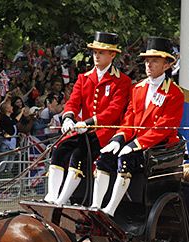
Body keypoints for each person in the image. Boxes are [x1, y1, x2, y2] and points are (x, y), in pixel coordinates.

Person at [93, 37, 183, 216]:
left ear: (166, 65)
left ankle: (110, 210)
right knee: (105, 157)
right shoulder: (138, 89)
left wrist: (135, 145)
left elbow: (163, 127)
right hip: (135, 141)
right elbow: (129, 120)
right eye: (147, 61)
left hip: (159, 146)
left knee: (126, 160)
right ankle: (95, 207)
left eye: (154, 61)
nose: (148, 65)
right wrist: (118, 139)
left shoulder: (174, 93)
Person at [44, 31, 132, 205]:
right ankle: (52, 196)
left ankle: (62, 200)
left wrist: (87, 123)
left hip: (105, 133)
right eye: (95, 52)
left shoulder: (122, 81)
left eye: (101, 52)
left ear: (112, 54)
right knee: (59, 149)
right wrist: (68, 118)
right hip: (83, 129)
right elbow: (73, 102)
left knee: (78, 154)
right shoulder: (83, 78)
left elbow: (113, 111)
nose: (96, 56)